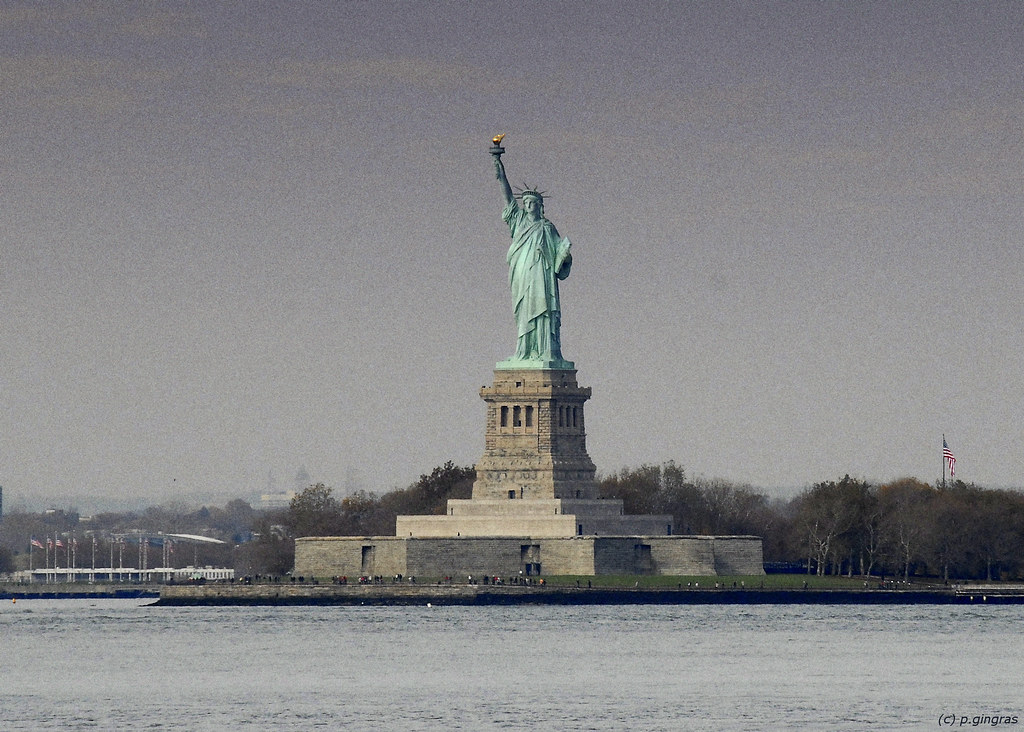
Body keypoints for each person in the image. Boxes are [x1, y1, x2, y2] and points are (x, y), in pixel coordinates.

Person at [493, 154, 572, 364]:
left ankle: (546, 352)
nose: (528, 205)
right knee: (524, 311)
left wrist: (564, 255)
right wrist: (501, 173)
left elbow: (559, 255)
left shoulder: (547, 227)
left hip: (542, 275)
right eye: (525, 202)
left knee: (543, 310)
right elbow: (508, 198)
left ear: (539, 205)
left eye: (532, 202)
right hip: (522, 273)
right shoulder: (518, 221)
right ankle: (524, 351)